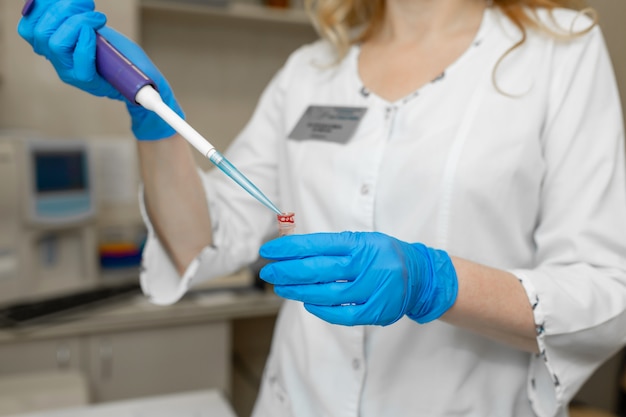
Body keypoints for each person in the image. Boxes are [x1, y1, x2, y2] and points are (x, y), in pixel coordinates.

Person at [18, 0, 626, 416]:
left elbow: (603, 292)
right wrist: (153, 118)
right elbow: (204, 239)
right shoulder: (310, 71)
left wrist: (433, 282)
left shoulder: (559, 50)